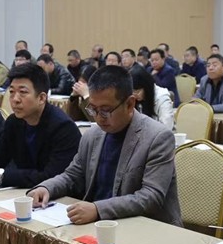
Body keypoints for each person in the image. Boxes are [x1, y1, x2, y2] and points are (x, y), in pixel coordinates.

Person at [27, 66, 182, 226]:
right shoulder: (92, 135)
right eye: (93, 109)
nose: (99, 118)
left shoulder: (157, 137)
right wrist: (46, 188)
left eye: (105, 110)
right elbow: (72, 176)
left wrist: (98, 209)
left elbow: (150, 197)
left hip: (146, 227)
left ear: (130, 104)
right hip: (98, 224)